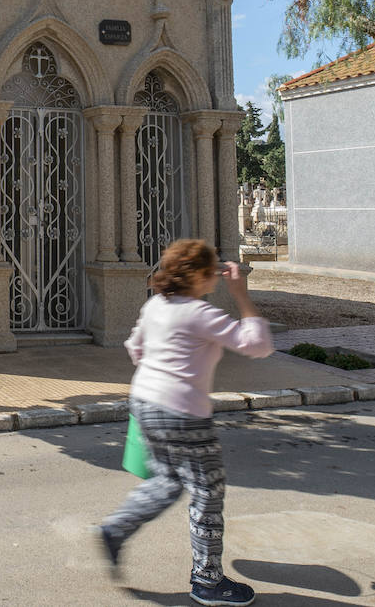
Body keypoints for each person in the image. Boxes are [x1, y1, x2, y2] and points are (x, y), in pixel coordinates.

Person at [97, 238, 273, 606]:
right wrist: (241, 294)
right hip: (183, 413)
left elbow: (135, 348)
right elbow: (257, 345)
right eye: (211, 272)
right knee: (208, 491)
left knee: (169, 479)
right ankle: (208, 579)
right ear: (199, 276)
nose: (216, 278)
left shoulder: (156, 306)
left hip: (145, 401)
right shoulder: (200, 314)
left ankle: (115, 528)